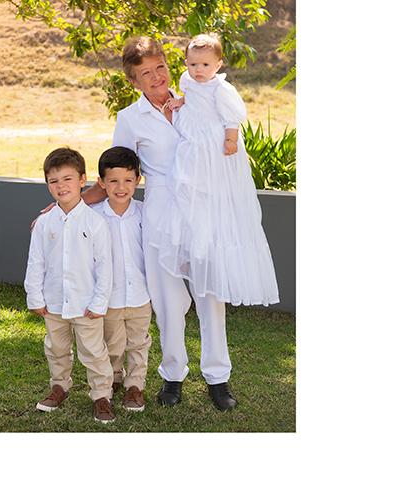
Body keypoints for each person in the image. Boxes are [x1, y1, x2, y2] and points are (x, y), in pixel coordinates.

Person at [78, 36, 240, 411]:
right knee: (168, 303)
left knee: (211, 297)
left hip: (203, 212)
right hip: (161, 215)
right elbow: (116, 172)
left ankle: (218, 378)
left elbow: (226, 146)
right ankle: (173, 376)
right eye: (146, 73)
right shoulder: (130, 119)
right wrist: (67, 206)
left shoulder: (198, 100)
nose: (157, 77)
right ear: (133, 81)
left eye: (160, 67)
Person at [158, 33, 280, 307]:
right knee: (187, 185)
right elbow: (192, 99)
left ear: (218, 65)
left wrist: (230, 139)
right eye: (193, 64)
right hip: (194, 141)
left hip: (214, 143)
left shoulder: (221, 89)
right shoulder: (187, 81)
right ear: (186, 63)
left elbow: (231, 117)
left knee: (212, 188)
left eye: (205, 65)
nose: (198, 71)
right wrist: (181, 102)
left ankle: (212, 253)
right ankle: (193, 246)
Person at [23, 147, 116, 423]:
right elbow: (35, 262)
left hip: (86, 304)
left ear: (82, 180)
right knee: (56, 348)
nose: (61, 186)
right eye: (53, 181)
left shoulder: (96, 222)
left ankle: (101, 395)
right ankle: (59, 386)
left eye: (67, 179)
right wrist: (35, 297)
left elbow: (104, 266)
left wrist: (99, 302)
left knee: (94, 352)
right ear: (47, 184)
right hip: (53, 302)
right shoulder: (44, 223)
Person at [91, 146, 153, 412]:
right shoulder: (93, 216)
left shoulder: (145, 212)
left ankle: (135, 386)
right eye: (113, 181)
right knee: (112, 345)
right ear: (102, 183)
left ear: (138, 180)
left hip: (140, 294)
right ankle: (114, 377)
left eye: (128, 180)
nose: (121, 187)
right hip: (110, 297)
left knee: (139, 344)